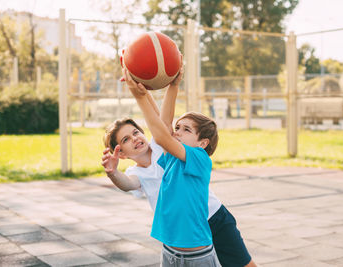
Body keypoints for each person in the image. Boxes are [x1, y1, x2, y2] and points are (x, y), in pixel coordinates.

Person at [102, 70, 256, 267]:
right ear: (121, 153)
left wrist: (147, 92)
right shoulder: (141, 169)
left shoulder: (163, 148)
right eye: (125, 139)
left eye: (135, 132)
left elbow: (162, 124)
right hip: (181, 236)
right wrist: (113, 173)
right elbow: (128, 183)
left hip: (213, 217)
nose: (134, 139)